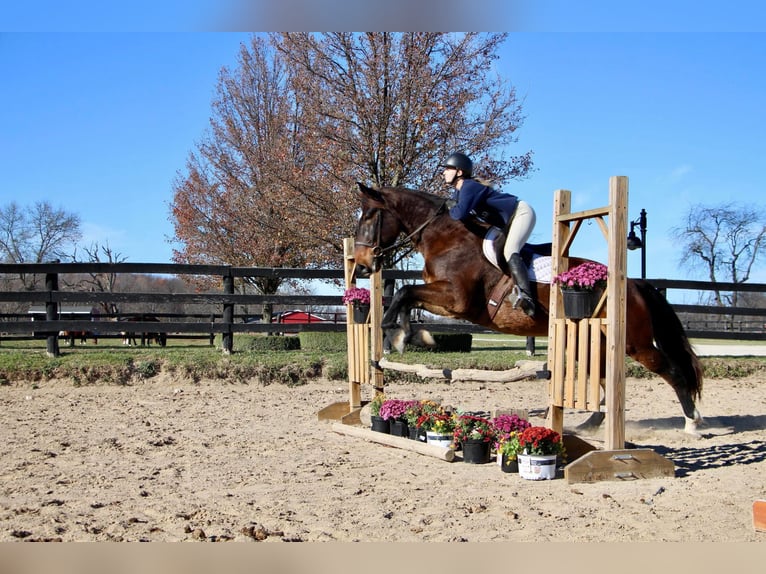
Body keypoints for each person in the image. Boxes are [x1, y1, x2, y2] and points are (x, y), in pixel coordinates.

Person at [440, 152, 537, 317]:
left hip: (521, 213)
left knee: (509, 250)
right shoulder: (458, 192)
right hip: (507, 223)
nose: (444, 172)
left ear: (459, 172)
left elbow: (459, 214)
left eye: (448, 169)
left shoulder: (468, 186)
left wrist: (450, 207)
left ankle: (527, 297)